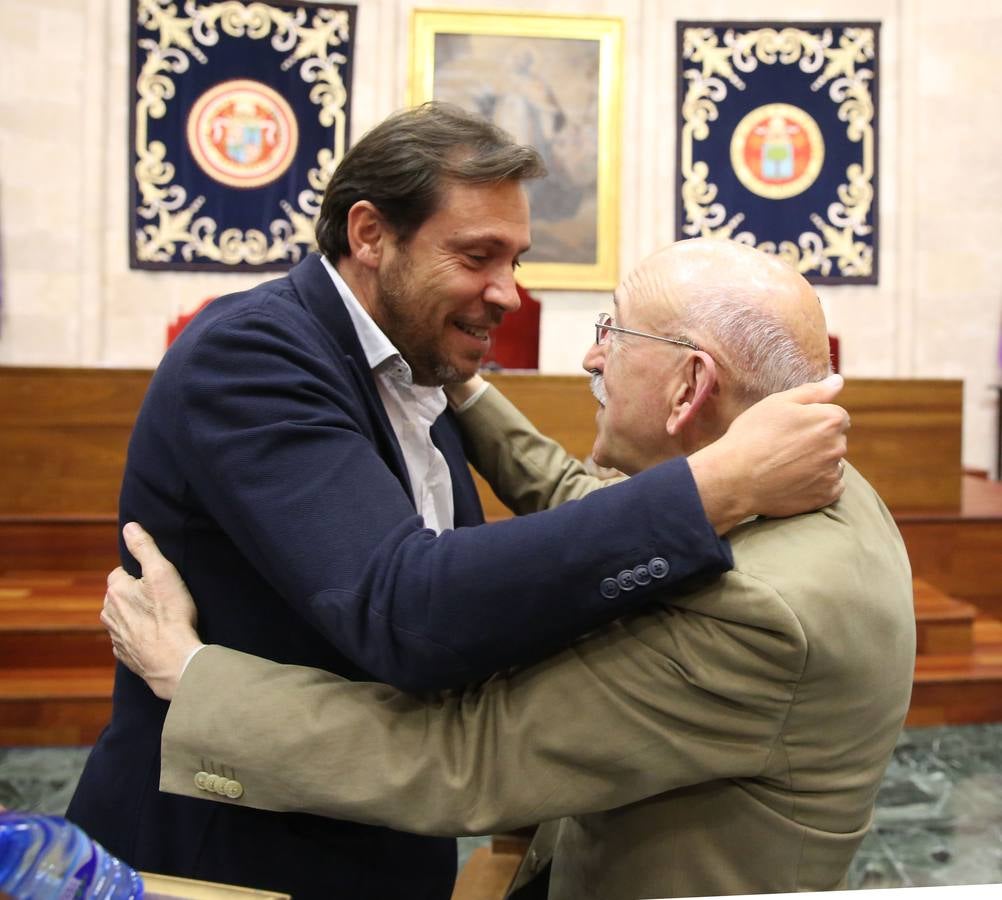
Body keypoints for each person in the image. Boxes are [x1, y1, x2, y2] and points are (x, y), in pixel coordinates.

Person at [74, 101, 849, 900]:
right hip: (229, 848)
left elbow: (510, 568)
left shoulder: (418, 357)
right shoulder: (252, 354)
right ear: (370, 234)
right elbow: (407, 607)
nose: (509, 292)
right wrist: (720, 484)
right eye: (479, 256)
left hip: (377, 832)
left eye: (515, 259)